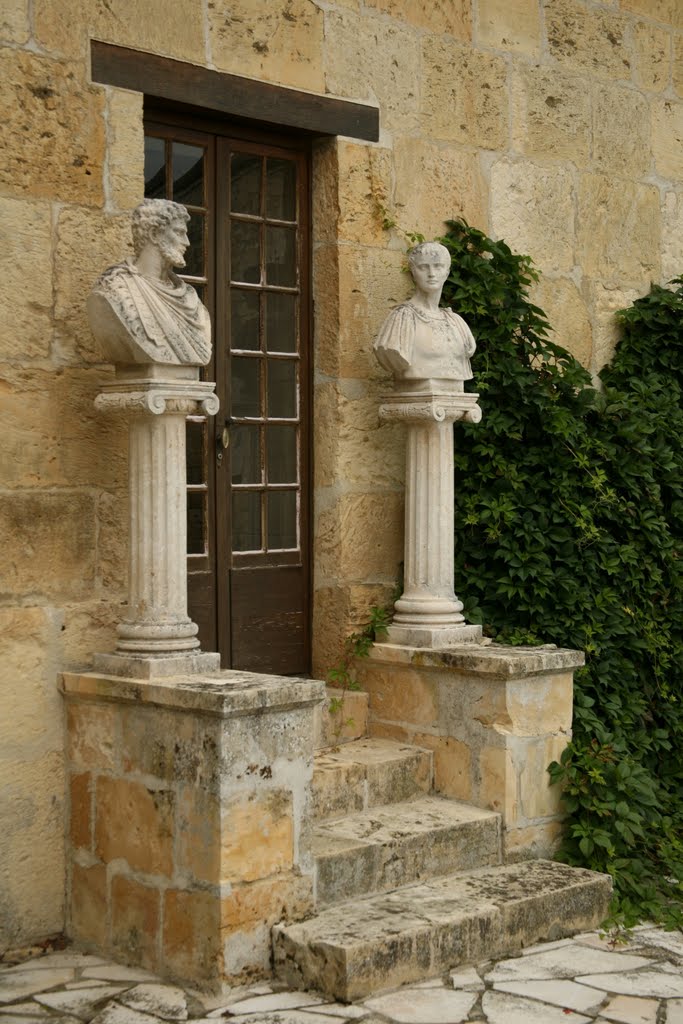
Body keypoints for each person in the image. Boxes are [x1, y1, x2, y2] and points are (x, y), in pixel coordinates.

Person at [87, 198, 211, 366]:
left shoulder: (191, 300)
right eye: (179, 233)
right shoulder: (114, 291)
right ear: (154, 235)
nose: (187, 242)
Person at [374, 241, 475, 387]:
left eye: (438, 266)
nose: (432, 274)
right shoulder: (402, 319)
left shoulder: (457, 322)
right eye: (423, 267)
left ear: (446, 273)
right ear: (413, 273)